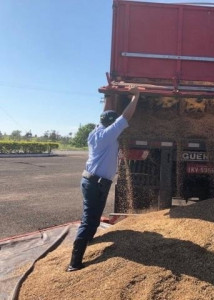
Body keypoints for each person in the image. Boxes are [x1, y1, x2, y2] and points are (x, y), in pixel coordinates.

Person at [67, 87, 142, 272]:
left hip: (91, 181)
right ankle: (74, 263)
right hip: (95, 184)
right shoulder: (108, 135)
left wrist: (109, 96)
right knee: (88, 220)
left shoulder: (96, 132)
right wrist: (136, 96)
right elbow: (125, 117)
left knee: (91, 219)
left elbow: (105, 117)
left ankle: (89, 242)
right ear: (111, 125)